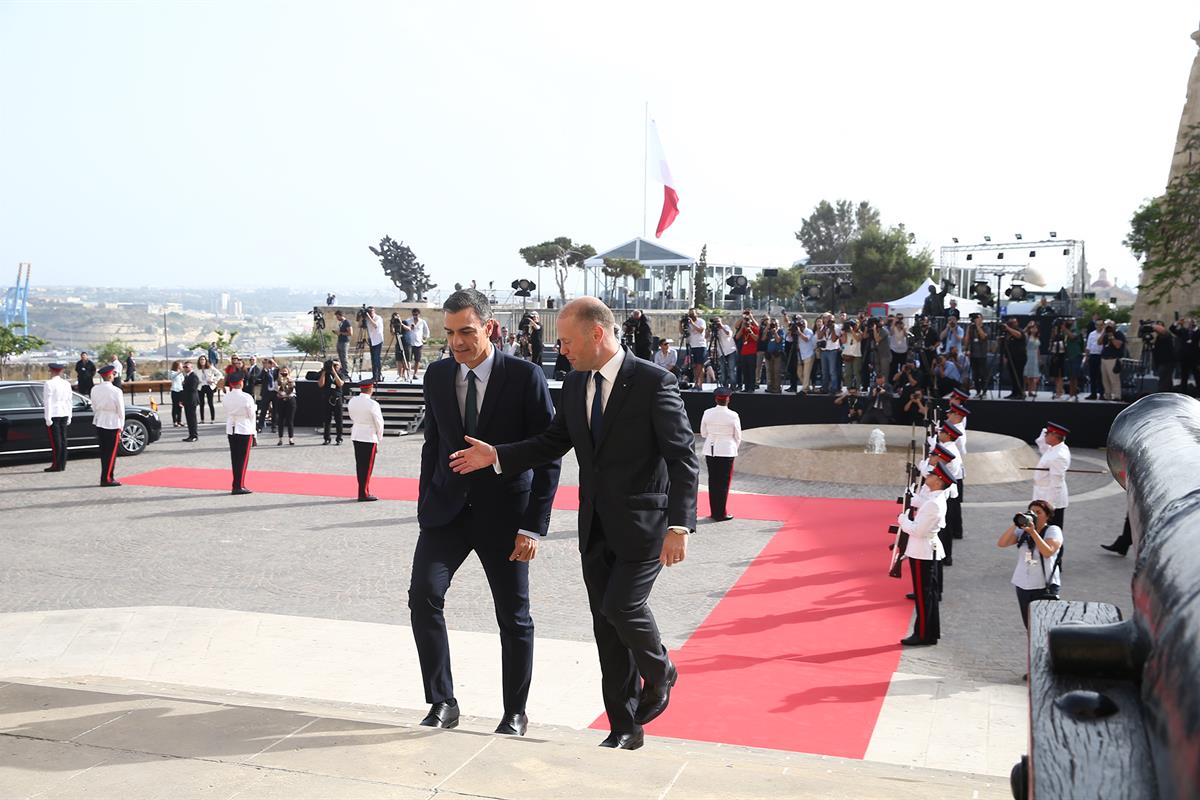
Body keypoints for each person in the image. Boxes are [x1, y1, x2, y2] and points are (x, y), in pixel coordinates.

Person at [449, 296, 698, 751]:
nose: (560, 349)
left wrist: (680, 525)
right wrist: (498, 455)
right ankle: (624, 728)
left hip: (646, 526)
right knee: (606, 629)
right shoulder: (574, 382)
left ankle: (661, 671)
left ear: (596, 334)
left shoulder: (653, 382)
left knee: (622, 607)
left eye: (565, 340)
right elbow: (552, 442)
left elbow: (683, 457)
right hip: (594, 527)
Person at [409, 289, 561, 737]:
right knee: (423, 597)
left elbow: (549, 455)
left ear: (489, 328)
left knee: (513, 616)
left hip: (506, 516)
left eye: (466, 332)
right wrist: (425, 505)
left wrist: (533, 526)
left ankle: (515, 711)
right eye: (450, 332)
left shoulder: (525, 376)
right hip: (445, 514)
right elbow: (433, 445)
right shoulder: (437, 375)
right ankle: (442, 701)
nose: (457, 342)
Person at [898, 461, 952, 646]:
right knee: (928, 595)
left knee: (924, 597)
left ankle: (922, 634)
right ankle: (929, 632)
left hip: (922, 552)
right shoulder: (934, 499)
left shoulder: (934, 504)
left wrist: (903, 520)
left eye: (931, 475)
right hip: (926, 550)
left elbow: (918, 531)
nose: (927, 476)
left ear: (938, 481)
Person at [998, 499, 1063, 629]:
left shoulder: (1053, 530)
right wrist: (1016, 523)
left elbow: (1048, 552)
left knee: (1045, 626)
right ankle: (1034, 648)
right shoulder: (1023, 531)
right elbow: (1002, 543)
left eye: (1038, 512)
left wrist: (1033, 532)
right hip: (1023, 584)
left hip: (1044, 586)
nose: (1034, 515)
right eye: (1032, 512)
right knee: (1030, 626)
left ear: (1047, 516)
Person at [700, 386, 741, 521]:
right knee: (723, 483)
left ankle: (714, 512)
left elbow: (703, 433)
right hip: (727, 450)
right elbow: (738, 436)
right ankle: (720, 513)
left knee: (713, 481)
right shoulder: (733, 415)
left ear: (716, 399)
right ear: (728, 400)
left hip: (710, 449)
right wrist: (734, 447)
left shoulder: (707, 412)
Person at [348, 378, 385, 500]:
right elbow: (379, 422)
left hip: (357, 433)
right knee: (367, 467)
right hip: (369, 436)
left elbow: (352, 416)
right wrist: (379, 437)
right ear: (370, 389)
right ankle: (364, 493)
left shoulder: (353, 401)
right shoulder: (373, 404)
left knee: (360, 465)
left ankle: (363, 491)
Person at [90, 364, 124, 487]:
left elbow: (93, 406)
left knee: (104, 452)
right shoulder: (116, 390)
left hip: (100, 420)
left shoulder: (94, 389)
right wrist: (121, 425)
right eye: (113, 374)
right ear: (110, 376)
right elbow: (121, 411)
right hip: (112, 422)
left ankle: (106, 476)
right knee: (111, 453)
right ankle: (107, 478)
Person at [223, 371, 257, 495]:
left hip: (231, 427)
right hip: (244, 427)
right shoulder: (246, 397)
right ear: (241, 383)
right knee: (243, 459)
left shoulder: (226, 396)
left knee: (235, 458)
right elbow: (251, 415)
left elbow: (227, 409)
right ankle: (239, 485)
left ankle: (236, 483)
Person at [1032, 422, 1071, 529]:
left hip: (1050, 501)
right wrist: (1045, 431)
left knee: (1052, 535)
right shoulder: (1053, 448)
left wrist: (1049, 506)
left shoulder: (1059, 455)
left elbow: (1056, 483)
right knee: (1041, 533)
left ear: (1054, 436)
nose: (1045, 436)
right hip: (1042, 497)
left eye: (1047, 434)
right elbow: (1040, 442)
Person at [42, 362, 73, 472]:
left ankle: (56, 465)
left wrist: (47, 417)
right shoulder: (66, 383)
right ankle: (62, 464)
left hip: (54, 414)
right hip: (64, 413)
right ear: (60, 371)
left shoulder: (49, 383)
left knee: (56, 442)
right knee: (63, 440)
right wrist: (70, 415)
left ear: (51, 371)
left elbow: (48, 402)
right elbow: (69, 401)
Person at [317, 359, 346, 445]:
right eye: (333, 365)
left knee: (339, 420)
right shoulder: (325, 374)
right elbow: (320, 384)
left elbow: (340, 384)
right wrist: (324, 372)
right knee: (327, 420)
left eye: (336, 365)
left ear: (339, 366)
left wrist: (334, 372)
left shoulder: (341, 374)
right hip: (327, 398)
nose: (334, 367)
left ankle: (339, 438)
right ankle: (327, 438)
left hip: (337, 399)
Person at [1099, 321, 1126, 401]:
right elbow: (1099, 342)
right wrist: (1104, 331)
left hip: (1113, 359)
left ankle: (1117, 396)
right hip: (1104, 359)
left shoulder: (1118, 334)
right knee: (1105, 380)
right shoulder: (1105, 334)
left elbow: (1118, 346)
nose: (1109, 328)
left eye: (1111, 326)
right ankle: (1107, 395)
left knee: (1114, 379)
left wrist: (1112, 337)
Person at [1001, 317, 1026, 399]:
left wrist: (1008, 328)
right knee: (1012, 375)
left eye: (1015, 322)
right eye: (1011, 322)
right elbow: (1005, 345)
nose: (1014, 324)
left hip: (1020, 357)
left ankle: (1020, 393)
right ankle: (1014, 392)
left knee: (1018, 375)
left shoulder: (1019, 331)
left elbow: (1019, 336)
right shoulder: (1008, 333)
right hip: (1011, 357)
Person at [964, 314, 988, 398]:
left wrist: (978, 326)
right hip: (973, 355)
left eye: (978, 318)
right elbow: (966, 341)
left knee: (982, 374)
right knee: (975, 375)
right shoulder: (971, 328)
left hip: (982, 354)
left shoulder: (986, 327)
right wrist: (967, 330)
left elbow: (983, 336)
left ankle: (984, 392)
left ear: (982, 319)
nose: (976, 320)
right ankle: (978, 391)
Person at [403, 308, 431, 380]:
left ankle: (415, 374)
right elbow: (404, 329)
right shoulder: (408, 321)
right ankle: (406, 374)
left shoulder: (422, 322)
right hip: (409, 343)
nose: (415, 316)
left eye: (416, 314)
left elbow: (426, 331)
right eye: (414, 314)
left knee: (417, 360)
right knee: (408, 359)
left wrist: (425, 339)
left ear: (419, 314)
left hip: (418, 343)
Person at [274, 364, 297, 445]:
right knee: (280, 420)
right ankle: (280, 439)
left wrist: (288, 381)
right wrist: (281, 383)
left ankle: (291, 438)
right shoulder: (277, 381)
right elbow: (277, 390)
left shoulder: (291, 380)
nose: (284, 373)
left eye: (285, 372)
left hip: (290, 400)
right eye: (282, 372)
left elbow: (291, 389)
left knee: (290, 420)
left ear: (288, 372)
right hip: (280, 401)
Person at [685, 308, 708, 389]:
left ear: (696, 314)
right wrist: (680, 324)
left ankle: (700, 384)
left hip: (700, 345)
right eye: (690, 314)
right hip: (692, 346)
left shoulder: (701, 321)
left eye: (693, 314)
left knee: (700, 365)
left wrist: (692, 323)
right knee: (694, 366)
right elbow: (683, 332)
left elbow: (701, 330)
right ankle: (696, 383)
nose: (691, 315)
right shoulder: (688, 323)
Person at [712, 317, 737, 389]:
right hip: (721, 352)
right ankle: (724, 386)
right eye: (715, 322)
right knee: (723, 370)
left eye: (718, 321)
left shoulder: (726, 327)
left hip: (730, 351)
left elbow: (729, 333)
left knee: (731, 369)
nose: (717, 323)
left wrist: (721, 326)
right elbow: (707, 337)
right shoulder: (715, 330)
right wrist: (710, 330)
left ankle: (733, 386)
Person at [1084, 318, 1105, 399]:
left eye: (1100, 325)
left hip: (1101, 356)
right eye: (1097, 325)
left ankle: (1102, 393)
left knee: (1101, 376)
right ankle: (1093, 393)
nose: (1098, 326)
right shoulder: (1092, 334)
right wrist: (1086, 356)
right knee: (1092, 376)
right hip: (1093, 355)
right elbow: (1088, 346)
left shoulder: (1105, 334)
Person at [256, 358, 278, 433]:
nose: (269, 364)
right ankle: (260, 426)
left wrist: (275, 365)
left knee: (275, 410)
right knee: (263, 410)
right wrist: (264, 369)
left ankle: (274, 426)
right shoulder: (264, 371)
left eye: (270, 363)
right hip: (266, 392)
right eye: (268, 363)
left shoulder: (275, 370)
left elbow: (281, 373)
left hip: (274, 392)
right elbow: (259, 378)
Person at [195, 354, 219, 423]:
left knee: (210, 403)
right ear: (199, 361)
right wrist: (197, 381)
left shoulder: (210, 367)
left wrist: (213, 380)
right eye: (201, 360)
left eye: (203, 359)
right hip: (201, 387)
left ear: (206, 360)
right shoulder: (197, 369)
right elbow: (194, 377)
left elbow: (219, 374)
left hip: (209, 386)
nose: (202, 361)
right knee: (201, 403)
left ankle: (212, 419)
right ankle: (202, 419)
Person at [364, 305, 385, 382]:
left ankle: (378, 375)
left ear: (374, 311)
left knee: (376, 358)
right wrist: (361, 317)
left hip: (378, 340)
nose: (370, 313)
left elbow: (375, 325)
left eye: (371, 311)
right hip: (371, 340)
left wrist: (368, 317)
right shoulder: (367, 319)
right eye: (369, 312)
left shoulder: (378, 318)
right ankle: (374, 376)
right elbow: (360, 325)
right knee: (373, 359)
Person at [181, 361, 200, 442]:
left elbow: (193, 389)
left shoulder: (193, 376)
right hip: (187, 400)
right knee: (189, 419)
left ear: (191, 367)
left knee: (192, 419)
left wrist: (184, 385)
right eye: (184, 367)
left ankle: (194, 435)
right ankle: (190, 435)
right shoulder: (187, 376)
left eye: (187, 367)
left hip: (192, 400)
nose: (185, 368)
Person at [1023, 321, 1042, 399]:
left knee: (1032, 375)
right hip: (1027, 355)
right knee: (1025, 375)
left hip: (1034, 357)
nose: (1034, 329)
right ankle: (1023, 390)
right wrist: (1027, 326)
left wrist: (1039, 358)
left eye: (1036, 328)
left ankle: (1030, 391)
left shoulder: (1037, 337)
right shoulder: (1027, 336)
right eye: (1033, 328)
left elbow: (1037, 349)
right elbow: (1022, 333)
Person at [335, 310, 352, 374]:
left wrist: (341, 333)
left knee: (344, 357)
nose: (337, 318)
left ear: (340, 315)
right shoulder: (341, 323)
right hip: (340, 341)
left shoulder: (347, 322)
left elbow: (350, 333)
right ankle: (342, 369)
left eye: (337, 317)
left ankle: (346, 371)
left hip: (344, 342)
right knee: (340, 357)